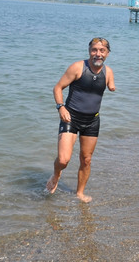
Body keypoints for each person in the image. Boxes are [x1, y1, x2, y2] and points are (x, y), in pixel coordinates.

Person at [45, 37, 116, 203]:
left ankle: (79, 193)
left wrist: (112, 86)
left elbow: (110, 84)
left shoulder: (108, 72)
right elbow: (57, 87)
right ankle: (56, 174)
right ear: (89, 51)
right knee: (63, 160)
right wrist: (60, 107)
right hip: (71, 117)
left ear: (107, 53)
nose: (98, 54)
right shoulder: (78, 67)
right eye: (94, 50)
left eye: (102, 51)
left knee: (86, 159)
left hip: (92, 120)